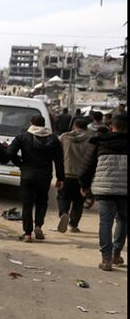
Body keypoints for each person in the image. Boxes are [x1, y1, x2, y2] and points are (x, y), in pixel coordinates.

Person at [8, 115, 65, 242]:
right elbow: (59, 160)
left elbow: (10, 153)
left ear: (31, 123)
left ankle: (27, 234)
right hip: (45, 176)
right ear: (44, 124)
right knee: (41, 202)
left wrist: (20, 163)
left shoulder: (22, 137)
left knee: (27, 204)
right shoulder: (54, 139)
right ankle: (38, 226)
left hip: (28, 174)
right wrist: (60, 178)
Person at [81, 114, 127, 271]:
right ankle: (116, 254)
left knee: (105, 222)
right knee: (123, 221)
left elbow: (88, 166)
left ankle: (106, 260)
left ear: (112, 127)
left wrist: (84, 185)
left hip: (105, 189)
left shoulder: (101, 142)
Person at [57, 117, 95, 233]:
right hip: (83, 176)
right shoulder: (92, 139)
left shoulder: (64, 137)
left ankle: (64, 213)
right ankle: (73, 225)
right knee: (78, 201)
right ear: (86, 127)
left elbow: (57, 153)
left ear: (74, 126)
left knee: (63, 196)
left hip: (66, 173)